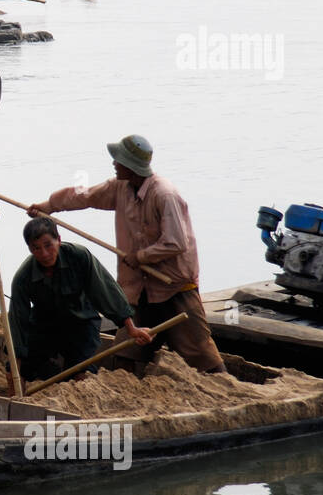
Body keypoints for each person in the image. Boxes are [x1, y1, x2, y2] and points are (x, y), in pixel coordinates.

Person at [27, 134, 227, 374]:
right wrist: (48, 206)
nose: (114, 164)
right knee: (124, 354)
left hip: (174, 288)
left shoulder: (164, 195)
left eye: (118, 161)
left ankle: (224, 383)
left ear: (130, 167)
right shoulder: (120, 187)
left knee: (203, 356)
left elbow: (176, 242)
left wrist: (140, 257)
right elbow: (85, 195)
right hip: (139, 290)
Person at [10, 217, 153, 382]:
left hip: (81, 322)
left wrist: (131, 329)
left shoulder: (79, 256)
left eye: (48, 245)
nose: (44, 254)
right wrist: (15, 370)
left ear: (59, 240)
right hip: (45, 325)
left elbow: (106, 291)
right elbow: (17, 320)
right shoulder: (23, 277)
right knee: (27, 368)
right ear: (29, 249)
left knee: (80, 373)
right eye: (36, 248)